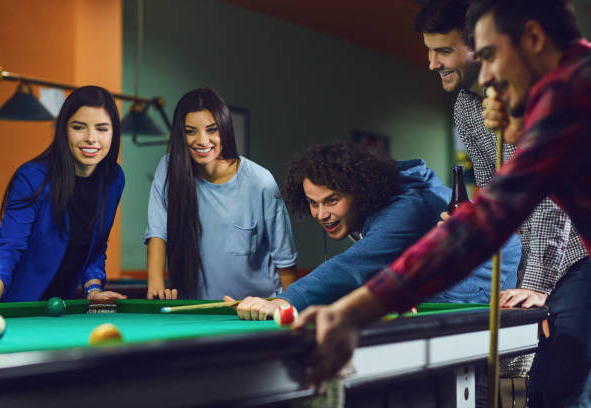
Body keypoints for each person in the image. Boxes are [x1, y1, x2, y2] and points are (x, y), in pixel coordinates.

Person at [296, 2, 591, 406]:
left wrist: (351, 313)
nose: (486, 76)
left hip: (579, 261)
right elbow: (499, 205)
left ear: (535, 39)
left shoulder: (571, 95)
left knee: (557, 387)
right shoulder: (563, 87)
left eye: (488, 56)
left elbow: (489, 221)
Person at [415, 0, 589, 400]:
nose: (432, 63)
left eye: (443, 50)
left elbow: (549, 202)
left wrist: (537, 284)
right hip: (544, 252)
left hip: (579, 249)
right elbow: (499, 192)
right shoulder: (466, 106)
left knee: (561, 386)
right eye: (429, 51)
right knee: (541, 389)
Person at [231, 142, 520, 320]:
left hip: (480, 290)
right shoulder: (381, 206)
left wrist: (284, 301)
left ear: (361, 192)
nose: (321, 214)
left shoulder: (407, 208)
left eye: (331, 200)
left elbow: (354, 267)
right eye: (312, 203)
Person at [145, 87, 297, 300]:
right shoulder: (169, 170)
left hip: (255, 315)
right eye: (190, 131)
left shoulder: (261, 181)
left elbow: (285, 263)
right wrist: (156, 287)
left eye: (211, 129)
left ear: (224, 129)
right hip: (193, 313)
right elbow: (157, 233)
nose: (202, 140)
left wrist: (288, 311)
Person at [0, 86, 126, 303]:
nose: (91, 138)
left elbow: (96, 247)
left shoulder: (113, 179)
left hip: (56, 309)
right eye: (78, 127)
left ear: (113, 133)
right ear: (63, 129)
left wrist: (93, 289)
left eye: (102, 129)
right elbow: (10, 244)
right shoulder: (32, 176)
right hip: (7, 304)